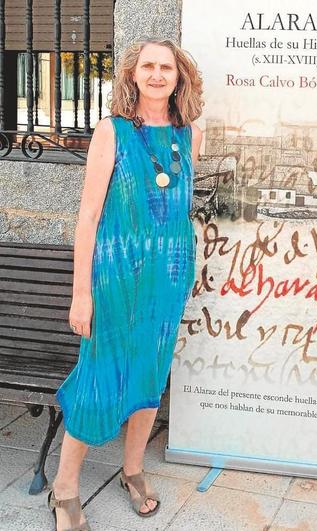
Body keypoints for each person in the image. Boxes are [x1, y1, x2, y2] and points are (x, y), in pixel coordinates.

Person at [49, 39, 203, 530]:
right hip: (116, 276)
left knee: (151, 375)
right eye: (148, 66)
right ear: (133, 75)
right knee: (101, 374)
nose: (158, 75)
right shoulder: (110, 131)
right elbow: (89, 217)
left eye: (167, 67)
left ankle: (132, 468)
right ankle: (65, 486)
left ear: (179, 77)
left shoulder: (190, 135)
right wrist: (81, 293)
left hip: (169, 277)